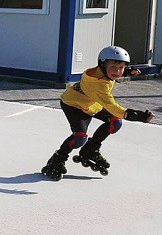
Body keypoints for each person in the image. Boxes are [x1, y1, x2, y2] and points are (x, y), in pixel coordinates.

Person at [41, 46, 155, 180]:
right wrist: (139, 116)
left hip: (92, 102)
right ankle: (56, 160)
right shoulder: (98, 85)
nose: (117, 72)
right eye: (113, 67)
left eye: (121, 67)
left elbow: (111, 72)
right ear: (102, 65)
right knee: (80, 138)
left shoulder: (102, 71)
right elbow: (113, 107)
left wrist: (127, 71)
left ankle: (91, 149)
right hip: (74, 104)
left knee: (115, 123)